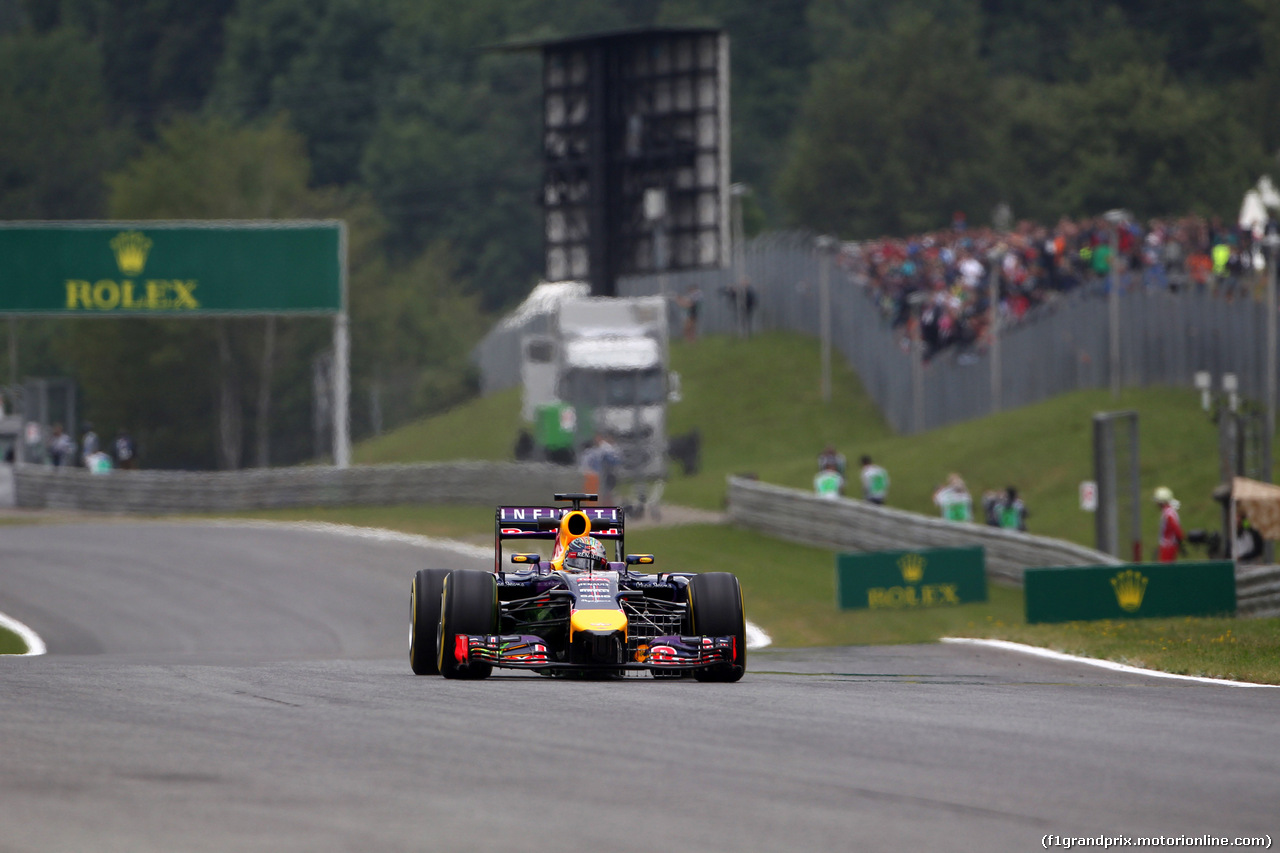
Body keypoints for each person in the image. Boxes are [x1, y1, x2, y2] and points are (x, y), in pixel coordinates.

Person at [1153, 486, 1184, 562]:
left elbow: (1176, 528)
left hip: (1168, 546)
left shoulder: (1168, 513)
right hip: (1169, 545)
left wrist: (1179, 539)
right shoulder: (1169, 511)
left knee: (1165, 571)